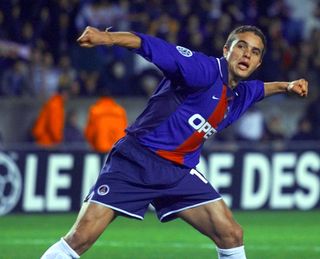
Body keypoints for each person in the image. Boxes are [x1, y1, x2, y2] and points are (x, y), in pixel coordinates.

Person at [41, 25, 308, 259]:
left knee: (231, 234)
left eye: (255, 51)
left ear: (258, 63)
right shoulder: (203, 70)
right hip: (137, 161)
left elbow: (262, 89)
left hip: (179, 173)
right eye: (241, 47)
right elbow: (154, 46)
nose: (247, 54)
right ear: (226, 50)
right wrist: (107, 38)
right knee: (79, 239)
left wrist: (287, 86)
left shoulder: (241, 93)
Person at [84, 88, 127, 153]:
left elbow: (89, 133)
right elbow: (125, 132)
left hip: (101, 149)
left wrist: (94, 146)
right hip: (117, 149)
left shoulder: (95, 111)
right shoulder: (120, 111)